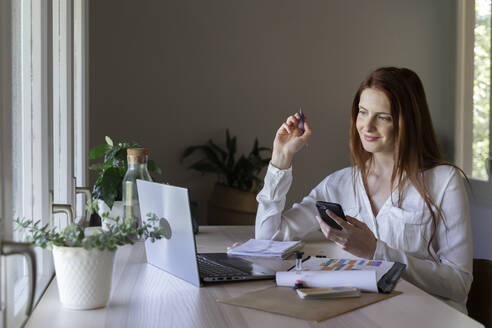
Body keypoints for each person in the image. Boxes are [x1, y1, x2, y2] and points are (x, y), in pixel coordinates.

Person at [255, 67, 473, 314]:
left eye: (383, 117)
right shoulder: (340, 184)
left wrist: (375, 251)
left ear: (408, 122)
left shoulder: (445, 182)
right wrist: (280, 160)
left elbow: (459, 284)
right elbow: (266, 240)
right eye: (363, 112)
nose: (366, 126)